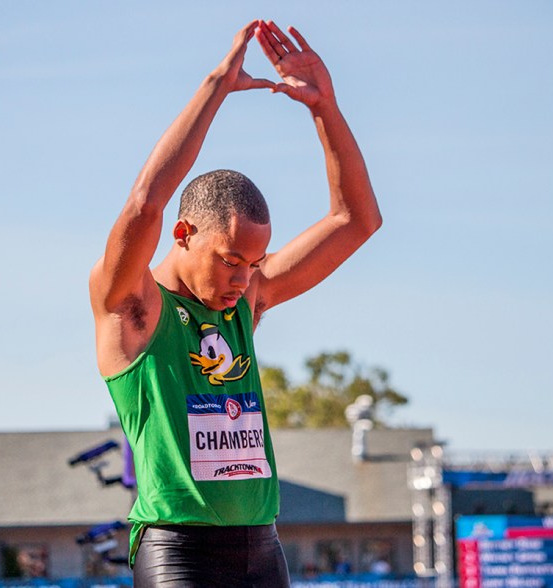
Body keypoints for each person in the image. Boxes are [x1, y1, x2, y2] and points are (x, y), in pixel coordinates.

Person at [89, 19, 381, 587]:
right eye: (229, 260)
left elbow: (356, 221)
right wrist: (216, 86)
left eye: (253, 263)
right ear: (182, 234)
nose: (242, 278)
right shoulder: (133, 306)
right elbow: (144, 204)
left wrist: (325, 108)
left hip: (262, 547)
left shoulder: (246, 299)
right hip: (179, 551)